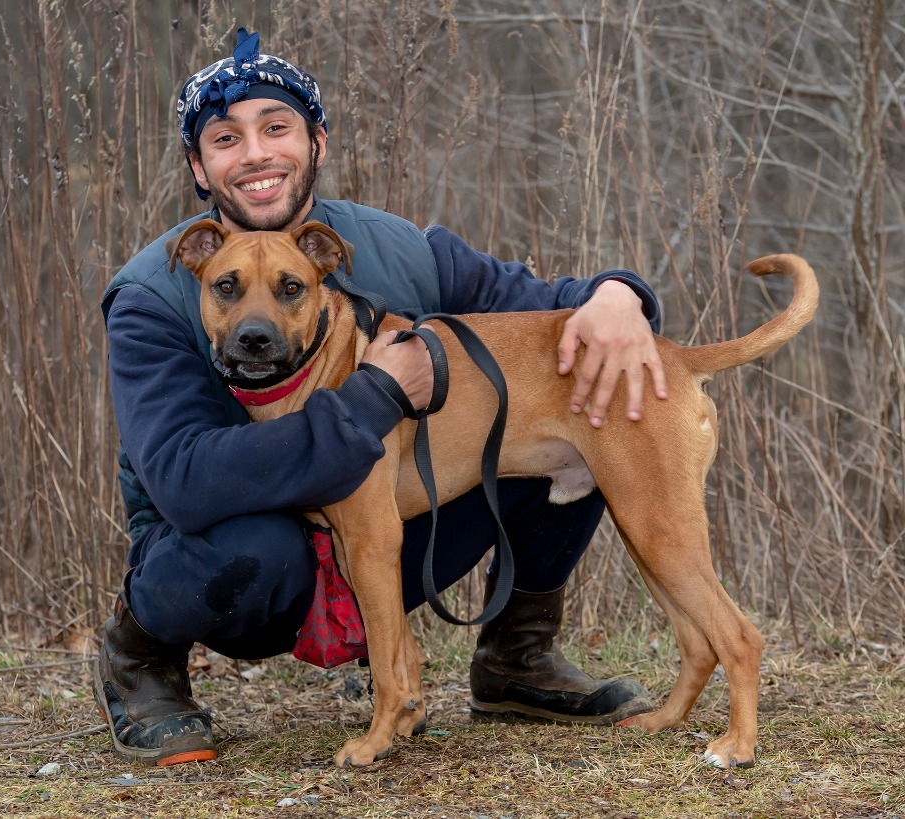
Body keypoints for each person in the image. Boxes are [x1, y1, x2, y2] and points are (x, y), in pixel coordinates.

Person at [95, 27, 668, 766]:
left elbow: (540, 306)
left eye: (277, 128)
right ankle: (141, 660)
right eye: (226, 138)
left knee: (573, 387)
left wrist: (620, 296)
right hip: (235, 552)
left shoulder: (396, 249)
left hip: (377, 519)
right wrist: (377, 396)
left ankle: (516, 659)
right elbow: (186, 483)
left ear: (317, 144)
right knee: (252, 546)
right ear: (199, 168)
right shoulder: (153, 293)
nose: (257, 154)